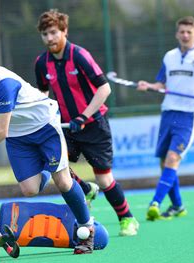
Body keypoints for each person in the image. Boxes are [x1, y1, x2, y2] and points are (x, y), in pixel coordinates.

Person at [0, 40, 96, 254]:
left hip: (44, 124)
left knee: (63, 182)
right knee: (29, 189)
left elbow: (0, 131)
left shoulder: (3, 83)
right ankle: (54, 165)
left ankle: (87, 228)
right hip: (17, 134)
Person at [34, 9, 139, 236]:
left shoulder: (79, 55)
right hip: (66, 127)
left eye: (53, 32)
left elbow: (104, 88)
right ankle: (84, 188)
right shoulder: (42, 63)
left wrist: (83, 116)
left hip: (94, 124)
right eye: (44, 34)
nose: (49, 38)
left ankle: (127, 219)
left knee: (103, 178)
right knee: (55, 166)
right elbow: (42, 95)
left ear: (64, 31)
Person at [137, 16, 194, 221]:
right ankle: (177, 205)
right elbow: (161, 84)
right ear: (177, 34)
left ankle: (155, 203)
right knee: (163, 162)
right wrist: (148, 86)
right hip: (168, 112)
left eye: (189, 32)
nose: (185, 35)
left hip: (189, 115)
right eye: (182, 32)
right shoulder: (169, 56)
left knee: (172, 158)